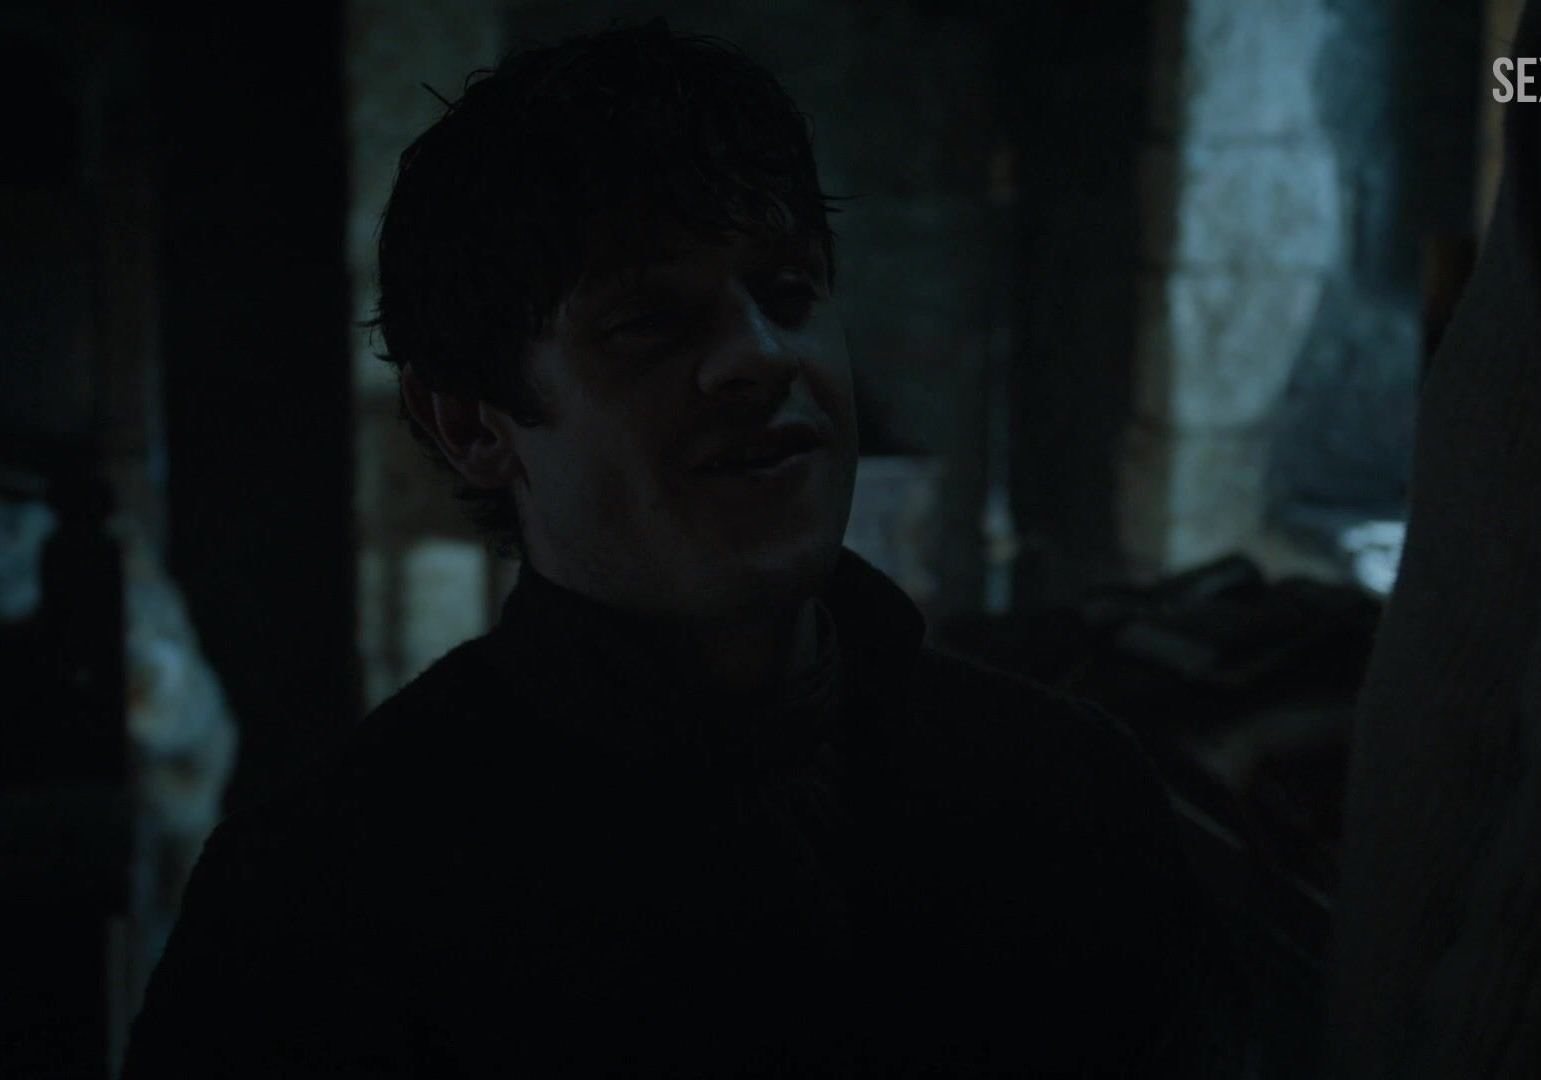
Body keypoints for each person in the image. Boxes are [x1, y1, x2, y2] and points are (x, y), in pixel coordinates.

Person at [123, 21, 1239, 1077]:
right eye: (651, 318)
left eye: (788, 292)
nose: (761, 355)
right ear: (471, 423)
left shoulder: (1064, 794)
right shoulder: (322, 909)